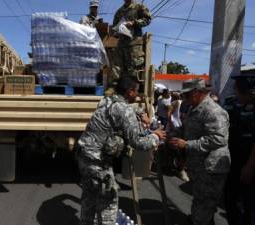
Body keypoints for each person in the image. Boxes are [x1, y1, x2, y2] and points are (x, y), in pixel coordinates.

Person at [76, 76, 166, 225]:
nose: (137, 95)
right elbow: (138, 142)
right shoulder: (124, 110)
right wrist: (156, 136)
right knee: (108, 202)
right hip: (98, 161)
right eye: (136, 91)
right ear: (129, 91)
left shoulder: (106, 100)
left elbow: (119, 114)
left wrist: (139, 116)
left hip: (84, 155)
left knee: (89, 196)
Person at [168, 78, 230, 225]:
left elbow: (219, 139)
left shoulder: (213, 111)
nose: (184, 98)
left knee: (205, 204)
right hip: (199, 166)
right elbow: (186, 128)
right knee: (201, 202)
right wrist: (171, 135)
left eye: (186, 95)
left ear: (196, 93)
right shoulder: (194, 108)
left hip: (211, 167)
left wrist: (187, 144)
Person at [223, 74, 255, 225]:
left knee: (249, 204)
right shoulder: (231, 103)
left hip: (249, 162)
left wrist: (249, 166)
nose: (236, 94)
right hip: (232, 159)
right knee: (230, 199)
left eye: (238, 91)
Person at [112, 0, 151, 78]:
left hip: (135, 42)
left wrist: (134, 23)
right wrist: (117, 31)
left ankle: (133, 87)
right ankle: (113, 85)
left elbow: (148, 19)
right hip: (122, 42)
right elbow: (115, 26)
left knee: (134, 65)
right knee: (117, 65)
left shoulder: (139, 7)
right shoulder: (119, 12)